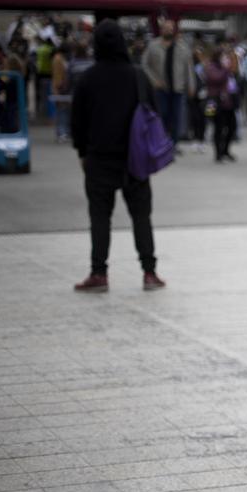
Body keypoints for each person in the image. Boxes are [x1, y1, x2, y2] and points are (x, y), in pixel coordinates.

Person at [70, 20, 165, 293]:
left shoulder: (88, 78)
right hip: (135, 160)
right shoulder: (137, 76)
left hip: (99, 159)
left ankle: (99, 273)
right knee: (141, 215)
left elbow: (78, 121)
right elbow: (154, 112)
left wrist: (82, 151)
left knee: (100, 217)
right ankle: (149, 272)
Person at [143, 20, 194, 150]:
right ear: (161, 30)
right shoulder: (153, 45)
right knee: (162, 115)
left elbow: (189, 68)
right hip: (161, 89)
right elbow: (144, 65)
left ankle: (174, 144)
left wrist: (191, 85)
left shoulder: (182, 47)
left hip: (177, 88)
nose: (168, 31)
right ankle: (161, 142)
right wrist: (154, 81)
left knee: (176, 117)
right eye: (166, 28)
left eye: (171, 29)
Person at [203, 48, 237, 163]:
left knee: (232, 127)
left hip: (227, 102)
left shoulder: (227, 70)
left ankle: (225, 150)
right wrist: (226, 69)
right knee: (218, 128)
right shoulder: (211, 67)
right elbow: (215, 78)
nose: (226, 59)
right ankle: (218, 153)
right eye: (224, 57)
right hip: (214, 102)